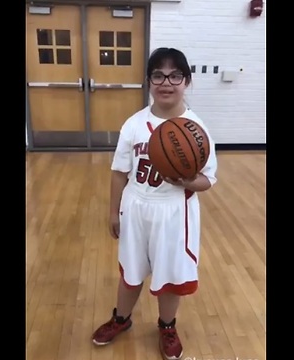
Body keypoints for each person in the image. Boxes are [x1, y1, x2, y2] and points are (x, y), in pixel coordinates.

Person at [91, 47, 218, 360]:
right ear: (148, 81)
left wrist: (186, 181)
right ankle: (121, 318)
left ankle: (167, 326)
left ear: (186, 81)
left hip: (174, 210)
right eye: (158, 75)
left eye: (175, 75)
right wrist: (113, 212)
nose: (167, 82)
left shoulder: (197, 130)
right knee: (130, 271)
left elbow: (208, 180)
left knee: (172, 277)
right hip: (136, 205)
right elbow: (120, 172)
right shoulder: (133, 125)